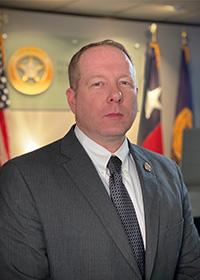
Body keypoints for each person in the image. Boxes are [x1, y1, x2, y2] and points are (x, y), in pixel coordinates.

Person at [0, 39, 200, 280]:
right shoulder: (24, 178)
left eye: (125, 83)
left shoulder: (168, 172)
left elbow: (190, 267)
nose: (115, 95)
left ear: (137, 93)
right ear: (72, 99)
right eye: (98, 84)